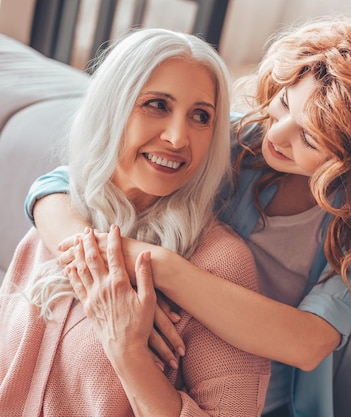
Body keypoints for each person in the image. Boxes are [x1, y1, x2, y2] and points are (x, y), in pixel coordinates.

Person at [24, 17, 351, 417]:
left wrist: (157, 266)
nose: (278, 133)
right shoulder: (233, 138)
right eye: (284, 104)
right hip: (174, 363)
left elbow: (308, 343)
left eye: (310, 135)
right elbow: (60, 185)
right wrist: (101, 264)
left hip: (259, 398)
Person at [1, 28, 270, 416]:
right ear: (112, 106)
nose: (178, 138)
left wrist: (127, 351)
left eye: (200, 116)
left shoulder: (220, 264)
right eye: (157, 105)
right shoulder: (58, 217)